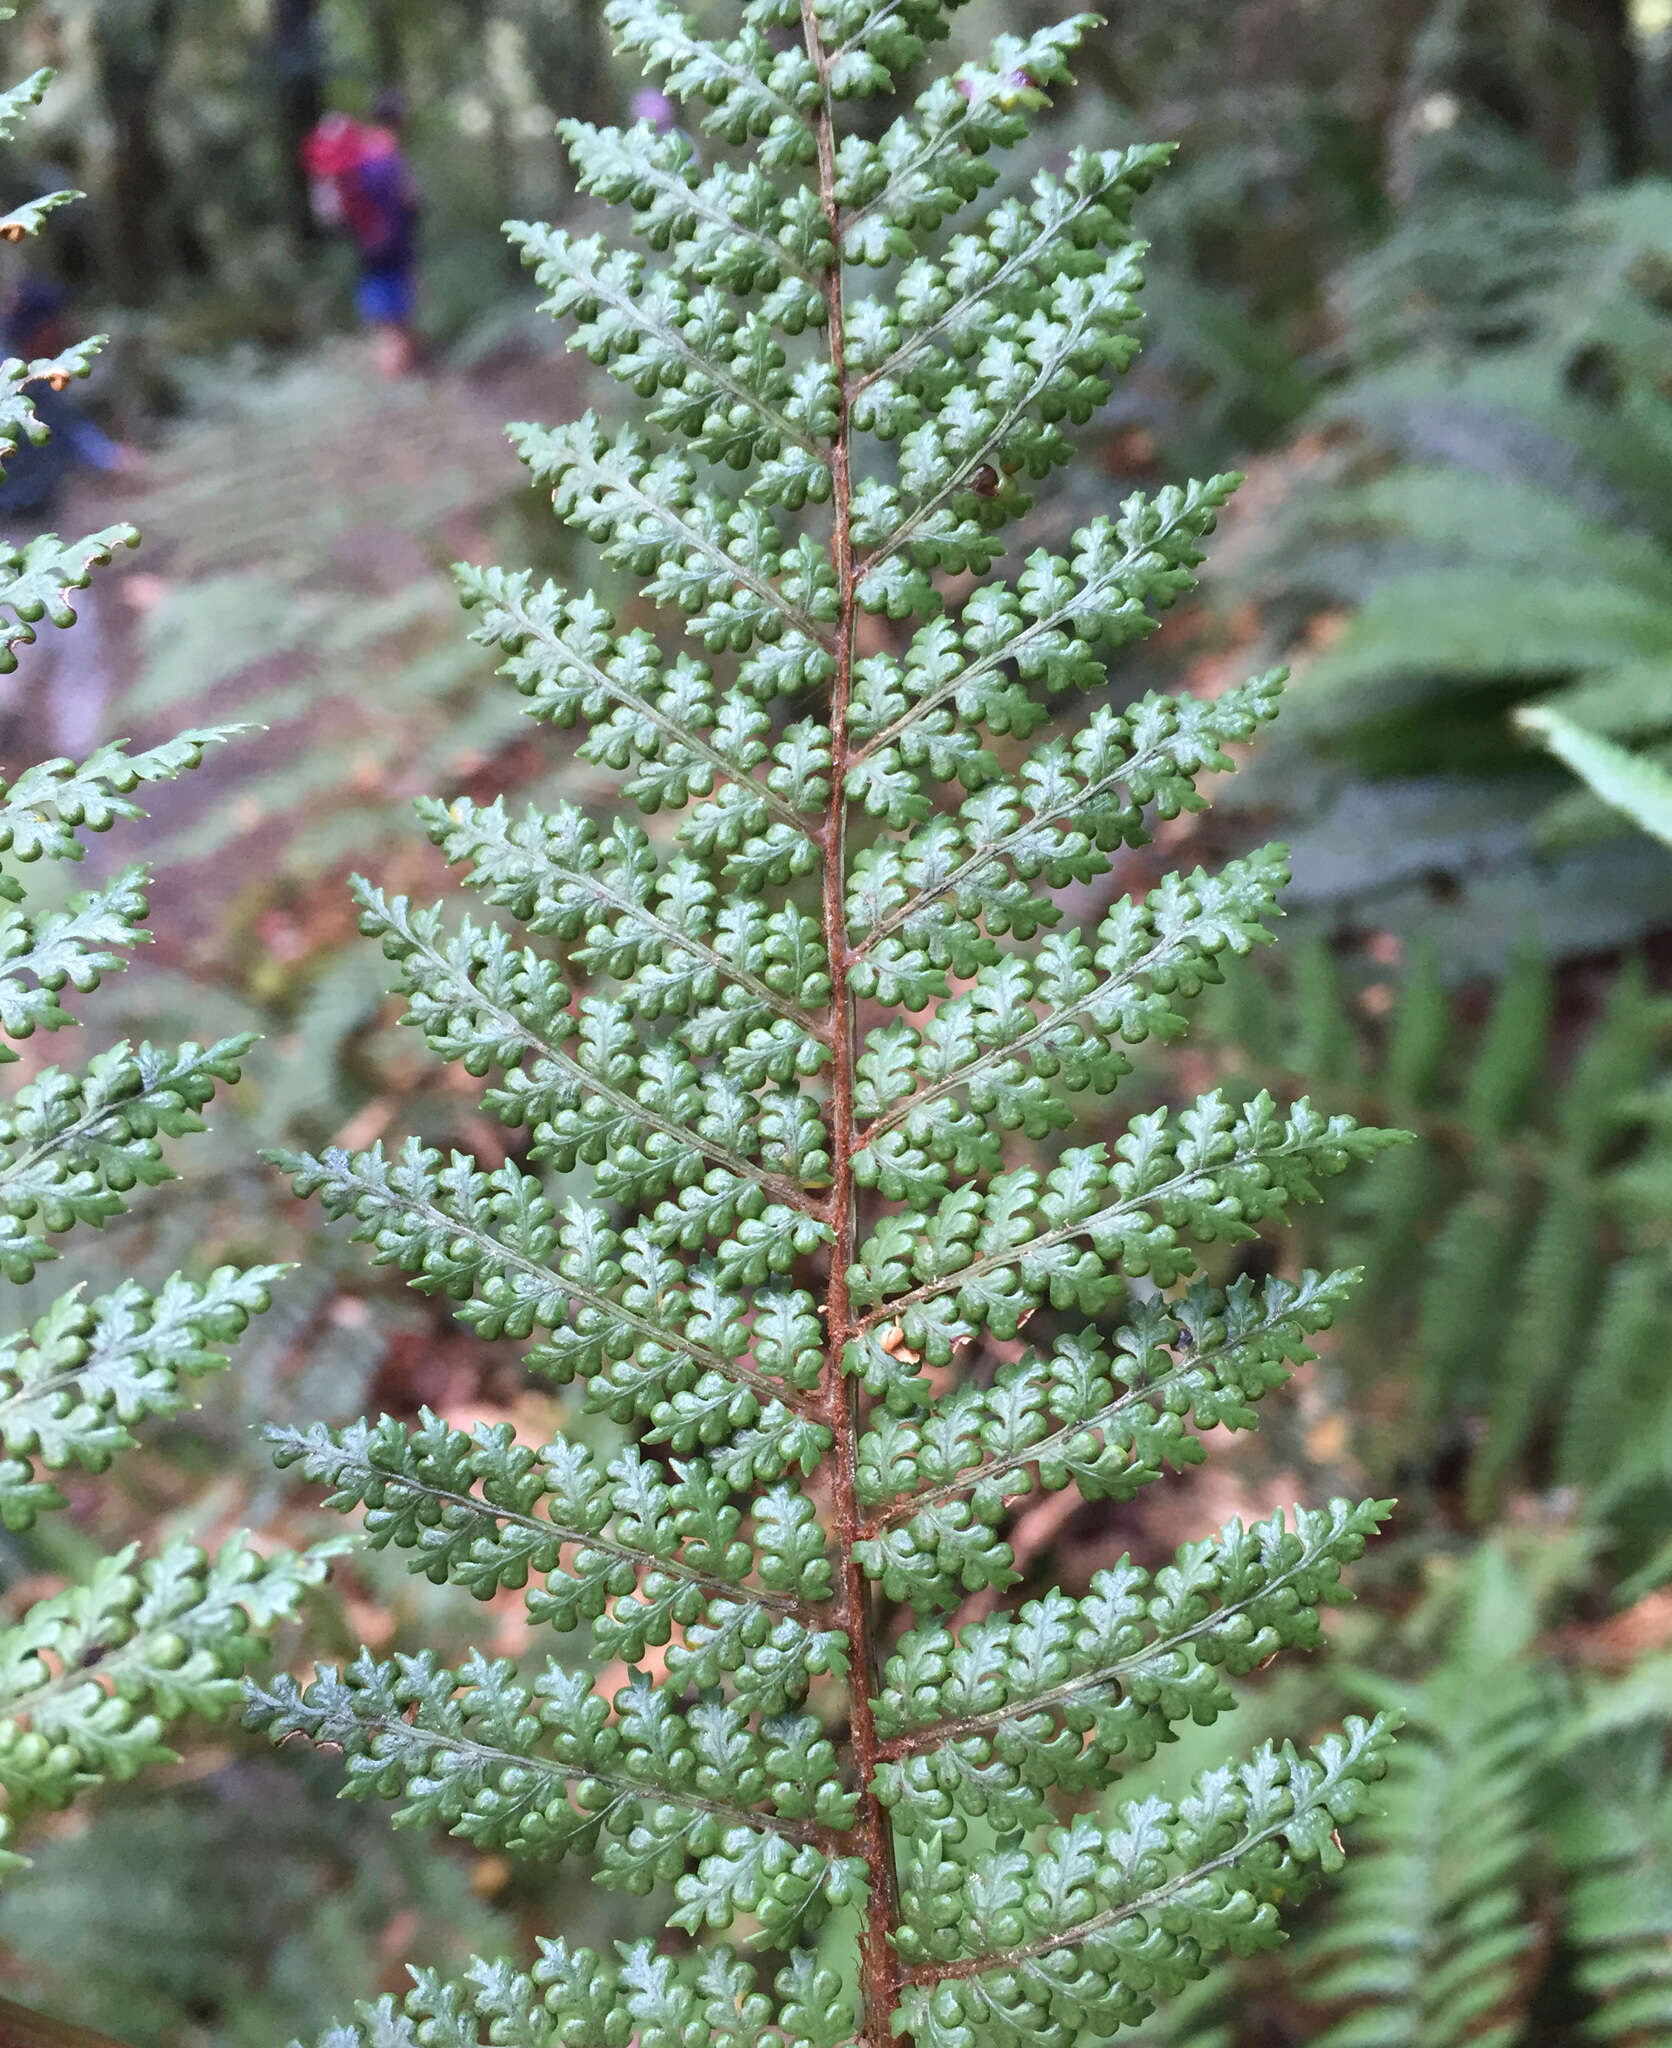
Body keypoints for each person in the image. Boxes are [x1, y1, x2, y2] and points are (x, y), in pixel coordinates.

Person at [0, 276, 137, 759]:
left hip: (44, 525)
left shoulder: (38, 372)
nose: (66, 332)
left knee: (65, 634)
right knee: (49, 633)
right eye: (59, 324)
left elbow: (66, 427)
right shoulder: (11, 374)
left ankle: (76, 744)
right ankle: (67, 743)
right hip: (13, 532)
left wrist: (106, 457)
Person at [302, 97, 421, 378]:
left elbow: (333, 216)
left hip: (369, 249)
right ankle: (395, 390)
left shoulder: (358, 158)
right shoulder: (385, 152)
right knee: (395, 326)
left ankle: (400, 385)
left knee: (388, 325)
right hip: (395, 247)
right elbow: (410, 199)